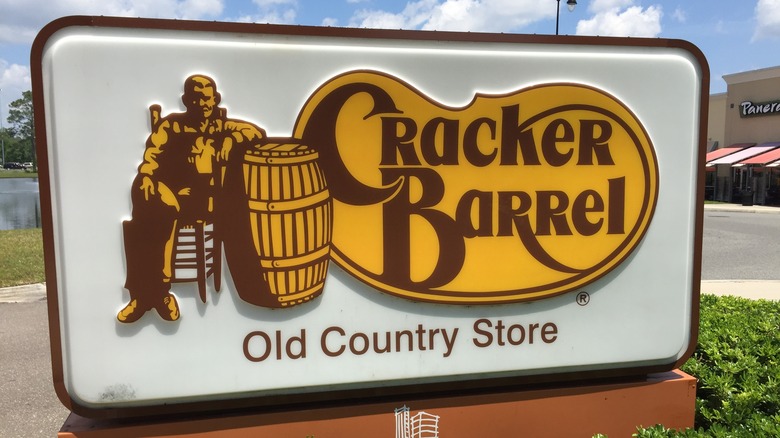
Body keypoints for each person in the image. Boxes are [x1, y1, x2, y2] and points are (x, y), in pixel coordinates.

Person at [118, 74, 266, 323]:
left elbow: (257, 133)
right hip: (169, 197)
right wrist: (145, 177)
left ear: (216, 100)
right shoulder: (171, 126)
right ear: (186, 100)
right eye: (196, 99)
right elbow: (151, 159)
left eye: (207, 99)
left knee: (150, 217)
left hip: (204, 202)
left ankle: (152, 295)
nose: (203, 105)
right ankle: (150, 296)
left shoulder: (224, 127)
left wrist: (232, 139)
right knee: (145, 210)